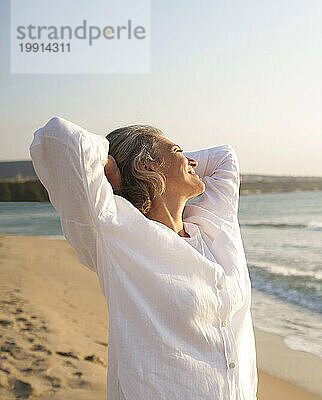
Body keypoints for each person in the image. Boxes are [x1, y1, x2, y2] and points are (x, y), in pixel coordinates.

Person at [29, 116, 258, 400]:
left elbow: (225, 157)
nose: (192, 161)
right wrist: (115, 166)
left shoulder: (214, 225)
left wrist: (155, 165)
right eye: (178, 152)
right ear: (148, 165)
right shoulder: (117, 230)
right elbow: (58, 138)